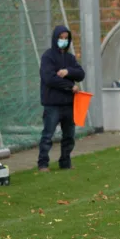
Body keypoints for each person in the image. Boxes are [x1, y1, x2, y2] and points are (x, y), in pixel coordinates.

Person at [37, 25, 86, 172]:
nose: (63, 41)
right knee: (48, 135)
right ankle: (43, 163)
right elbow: (49, 78)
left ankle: (65, 162)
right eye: (61, 38)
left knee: (69, 136)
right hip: (52, 104)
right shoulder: (48, 57)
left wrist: (67, 71)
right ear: (55, 38)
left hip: (69, 104)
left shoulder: (70, 58)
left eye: (66, 38)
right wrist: (69, 86)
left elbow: (80, 73)